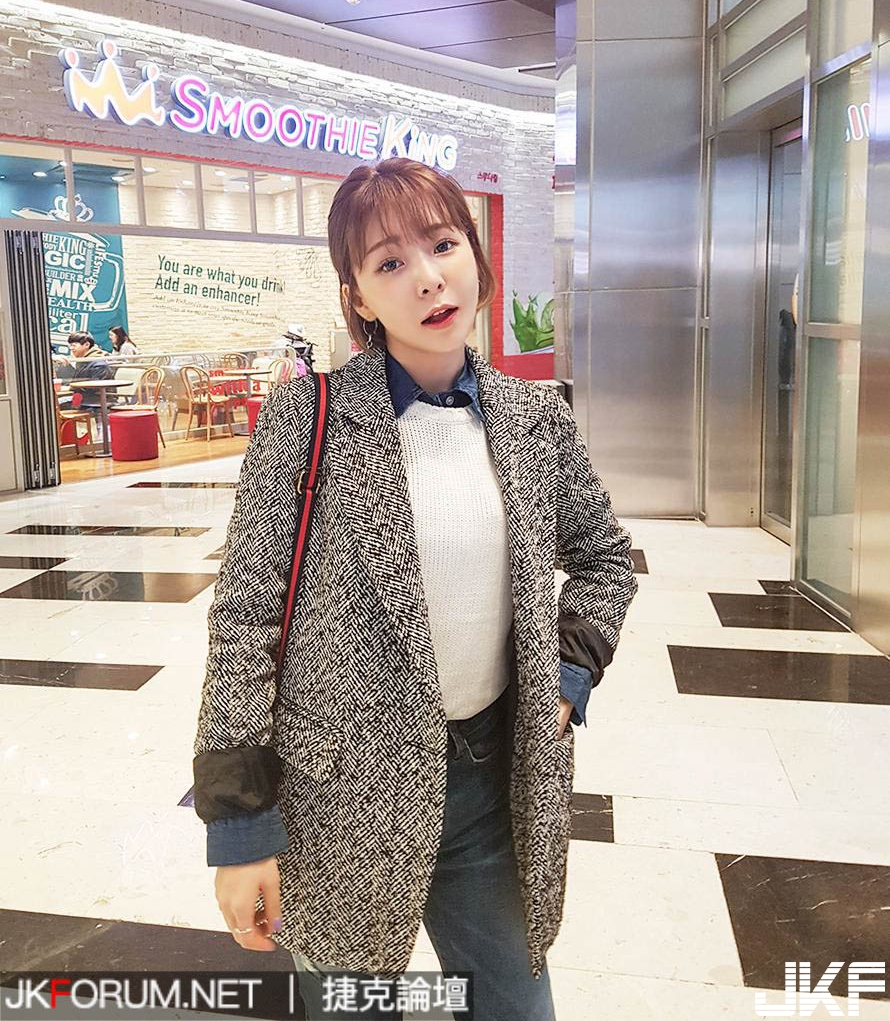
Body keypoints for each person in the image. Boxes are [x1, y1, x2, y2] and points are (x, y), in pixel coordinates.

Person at [192, 157, 637, 1021]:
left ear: (474, 253)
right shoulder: (309, 418)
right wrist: (240, 830)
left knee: (517, 1006)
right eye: (390, 262)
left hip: (494, 786)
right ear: (357, 296)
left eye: (443, 244)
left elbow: (605, 559)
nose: (428, 278)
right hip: (341, 798)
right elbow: (244, 618)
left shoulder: (533, 416)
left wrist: (565, 678)